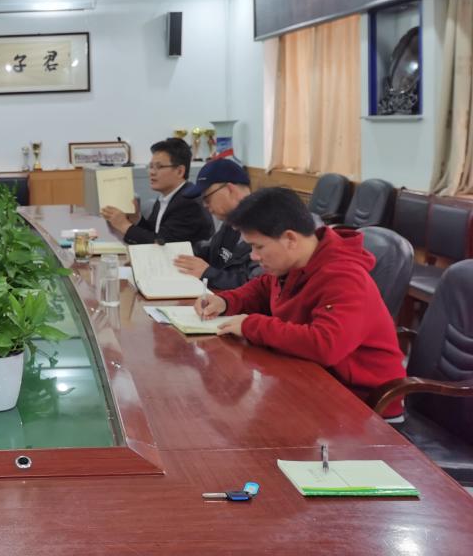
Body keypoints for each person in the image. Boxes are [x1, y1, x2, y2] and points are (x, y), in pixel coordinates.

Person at [193, 186, 406, 415]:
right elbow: (262, 288)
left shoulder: (345, 277)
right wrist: (225, 302)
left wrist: (251, 325)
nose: (254, 256)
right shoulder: (295, 262)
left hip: (365, 404)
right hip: (314, 379)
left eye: (258, 246)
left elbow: (325, 345)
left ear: (290, 239)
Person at [102, 137, 213, 245]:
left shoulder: (189, 202)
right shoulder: (167, 197)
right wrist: (136, 218)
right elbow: (154, 234)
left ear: (180, 171)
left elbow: (162, 244)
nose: (152, 172)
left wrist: (123, 225)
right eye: (151, 167)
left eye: (159, 167)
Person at [173, 158, 260, 290]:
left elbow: (256, 286)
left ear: (230, 189)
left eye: (207, 197)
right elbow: (209, 251)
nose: (204, 204)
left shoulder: (266, 227)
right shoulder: (229, 223)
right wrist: (176, 253)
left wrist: (208, 273)